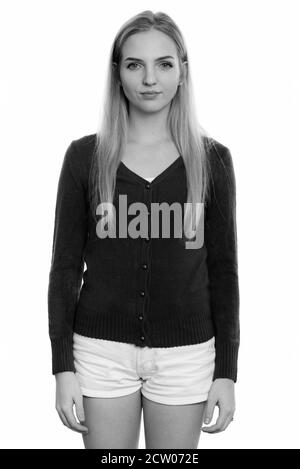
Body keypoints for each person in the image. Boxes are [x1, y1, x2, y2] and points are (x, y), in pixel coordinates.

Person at [48, 10, 240, 449]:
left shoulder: (212, 161)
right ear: (117, 73)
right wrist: (63, 367)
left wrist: (226, 371)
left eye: (164, 64)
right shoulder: (84, 158)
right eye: (135, 64)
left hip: (187, 356)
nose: (149, 78)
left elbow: (224, 271)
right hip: (99, 353)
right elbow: (63, 269)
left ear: (183, 72)